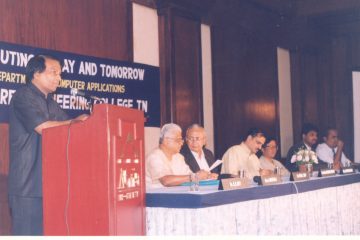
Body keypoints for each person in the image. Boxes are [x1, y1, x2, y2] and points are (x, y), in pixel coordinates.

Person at [8, 55, 88, 235]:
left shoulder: (50, 102)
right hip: (27, 186)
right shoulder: (23, 96)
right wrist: (75, 122)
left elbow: (69, 127)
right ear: (36, 73)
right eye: (53, 73)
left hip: (49, 184)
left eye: (60, 74)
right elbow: (44, 128)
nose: (58, 78)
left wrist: (86, 123)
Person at [146, 123, 214, 188]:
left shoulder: (178, 157)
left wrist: (206, 177)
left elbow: (190, 176)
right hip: (157, 198)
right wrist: (195, 177)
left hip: (177, 196)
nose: (181, 143)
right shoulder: (154, 157)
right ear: (166, 140)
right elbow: (166, 181)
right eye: (178, 140)